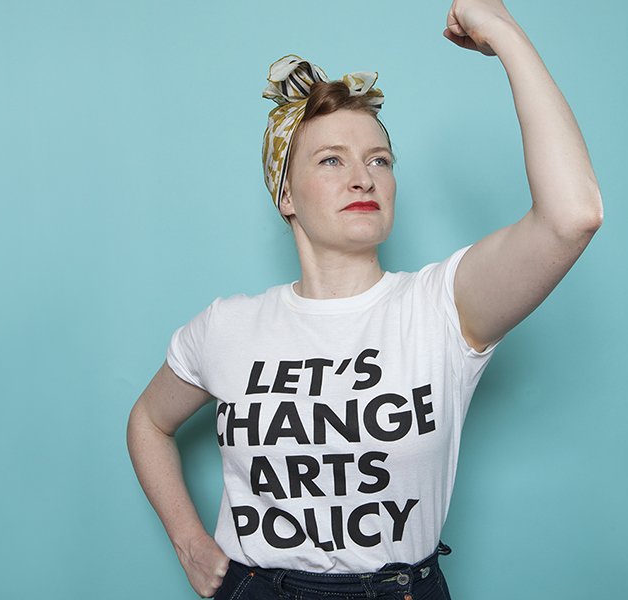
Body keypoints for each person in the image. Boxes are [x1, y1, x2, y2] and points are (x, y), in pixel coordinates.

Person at [127, 0, 603, 597]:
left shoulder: (443, 308)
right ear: (286, 195)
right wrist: (189, 542)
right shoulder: (227, 328)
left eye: (379, 160)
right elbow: (148, 421)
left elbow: (573, 216)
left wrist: (505, 34)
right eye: (332, 160)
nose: (364, 177)